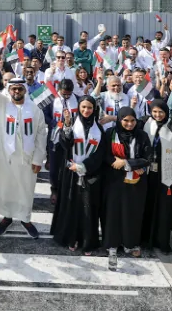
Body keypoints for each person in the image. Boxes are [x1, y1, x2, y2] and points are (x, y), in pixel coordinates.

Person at [0, 62, 47, 238]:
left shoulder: (34, 109)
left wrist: (38, 159)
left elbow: (41, 135)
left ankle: (25, 218)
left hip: (27, 157)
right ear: (9, 90)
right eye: (13, 89)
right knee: (7, 187)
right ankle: (7, 217)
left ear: (25, 90)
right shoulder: (2, 104)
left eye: (19, 89)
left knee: (25, 188)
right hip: (5, 157)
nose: (16, 92)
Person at [52, 95, 104, 255]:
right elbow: (65, 144)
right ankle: (71, 238)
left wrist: (84, 166)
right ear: (79, 108)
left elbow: (100, 154)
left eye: (89, 108)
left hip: (90, 174)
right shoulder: (72, 125)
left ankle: (87, 241)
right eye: (83, 107)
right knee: (72, 206)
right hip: (71, 172)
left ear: (94, 109)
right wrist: (66, 125)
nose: (86, 111)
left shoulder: (99, 129)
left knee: (88, 209)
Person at [102, 106, 152, 269]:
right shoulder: (110, 134)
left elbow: (148, 158)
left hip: (136, 182)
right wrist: (115, 163)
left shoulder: (142, 135)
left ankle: (130, 243)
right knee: (114, 212)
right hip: (114, 180)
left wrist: (127, 163)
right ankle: (112, 245)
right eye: (125, 120)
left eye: (132, 120)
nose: (129, 124)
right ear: (119, 120)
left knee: (133, 212)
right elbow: (105, 154)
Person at [141, 98, 172, 254]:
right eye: (154, 111)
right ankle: (145, 239)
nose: (157, 115)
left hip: (166, 175)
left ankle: (162, 242)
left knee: (164, 209)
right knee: (147, 206)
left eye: (161, 112)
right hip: (148, 174)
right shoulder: (146, 124)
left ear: (166, 112)